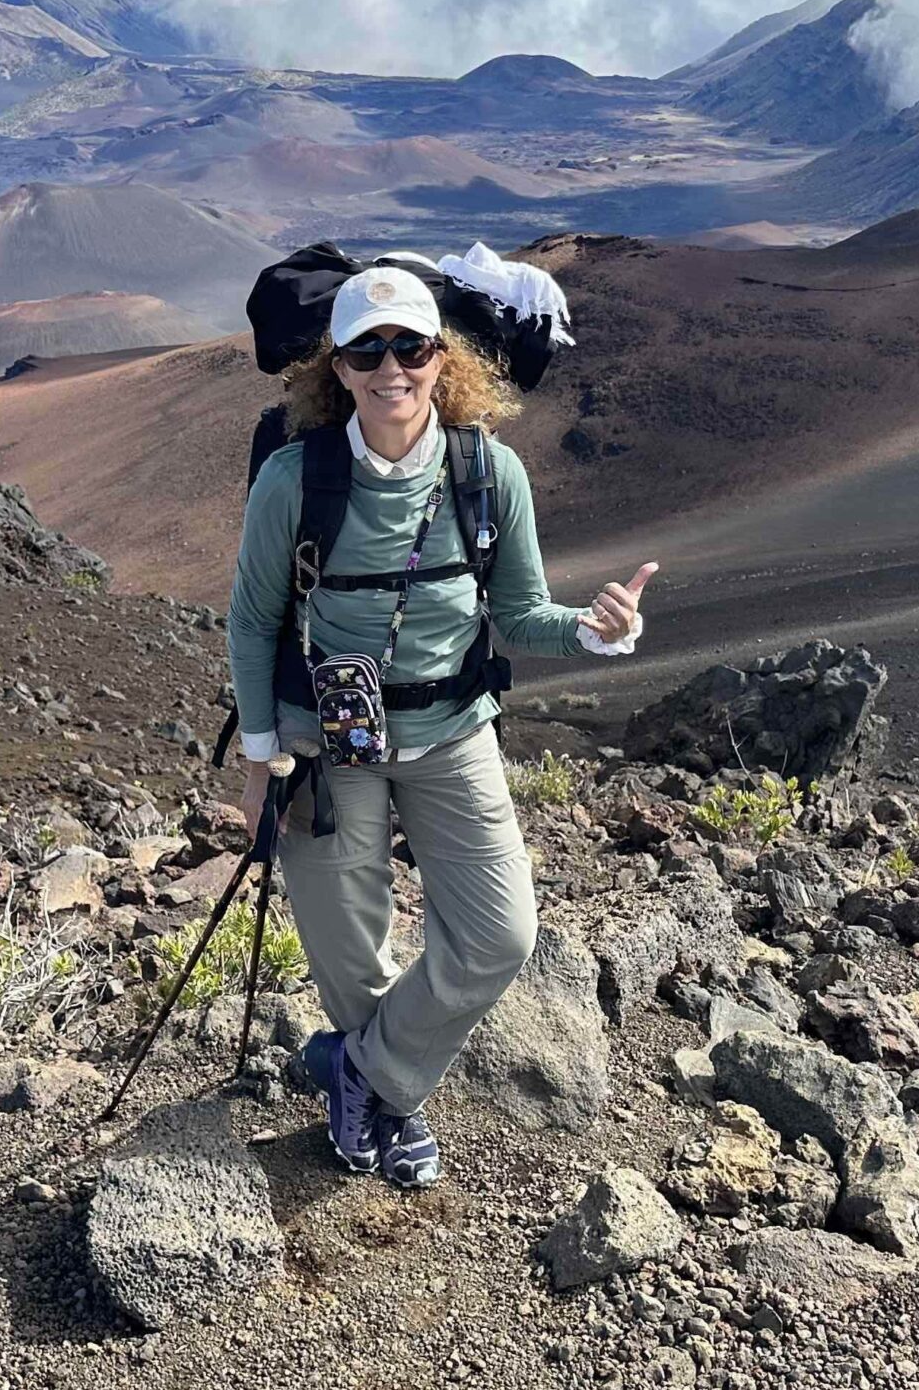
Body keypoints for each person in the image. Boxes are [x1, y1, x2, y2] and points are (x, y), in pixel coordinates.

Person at [227, 265, 659, 1189]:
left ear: (441, 357)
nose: (393, 369)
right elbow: (254, 621)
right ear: (335, 368)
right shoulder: (295, 480)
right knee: (351, 951)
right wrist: (259, 758)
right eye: (366, 351)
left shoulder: (488, 470)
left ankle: (366, 1074)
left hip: (455, 733)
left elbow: (524, 609)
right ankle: (395, 1102)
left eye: (411, 348)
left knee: (499, 936)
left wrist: (594, 628)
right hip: (326, 746)